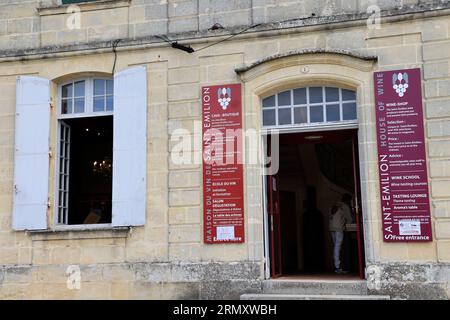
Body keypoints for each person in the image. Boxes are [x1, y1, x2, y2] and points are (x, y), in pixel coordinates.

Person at [329, 194, 353, 274]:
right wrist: (347, 225)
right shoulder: (344, 207)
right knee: (337, 247)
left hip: (332, 228)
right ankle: (338, 267)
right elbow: (349, 219)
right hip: (339, 228)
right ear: (347, 200)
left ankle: (337, 266)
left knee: (336, 247)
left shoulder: (334, 205)